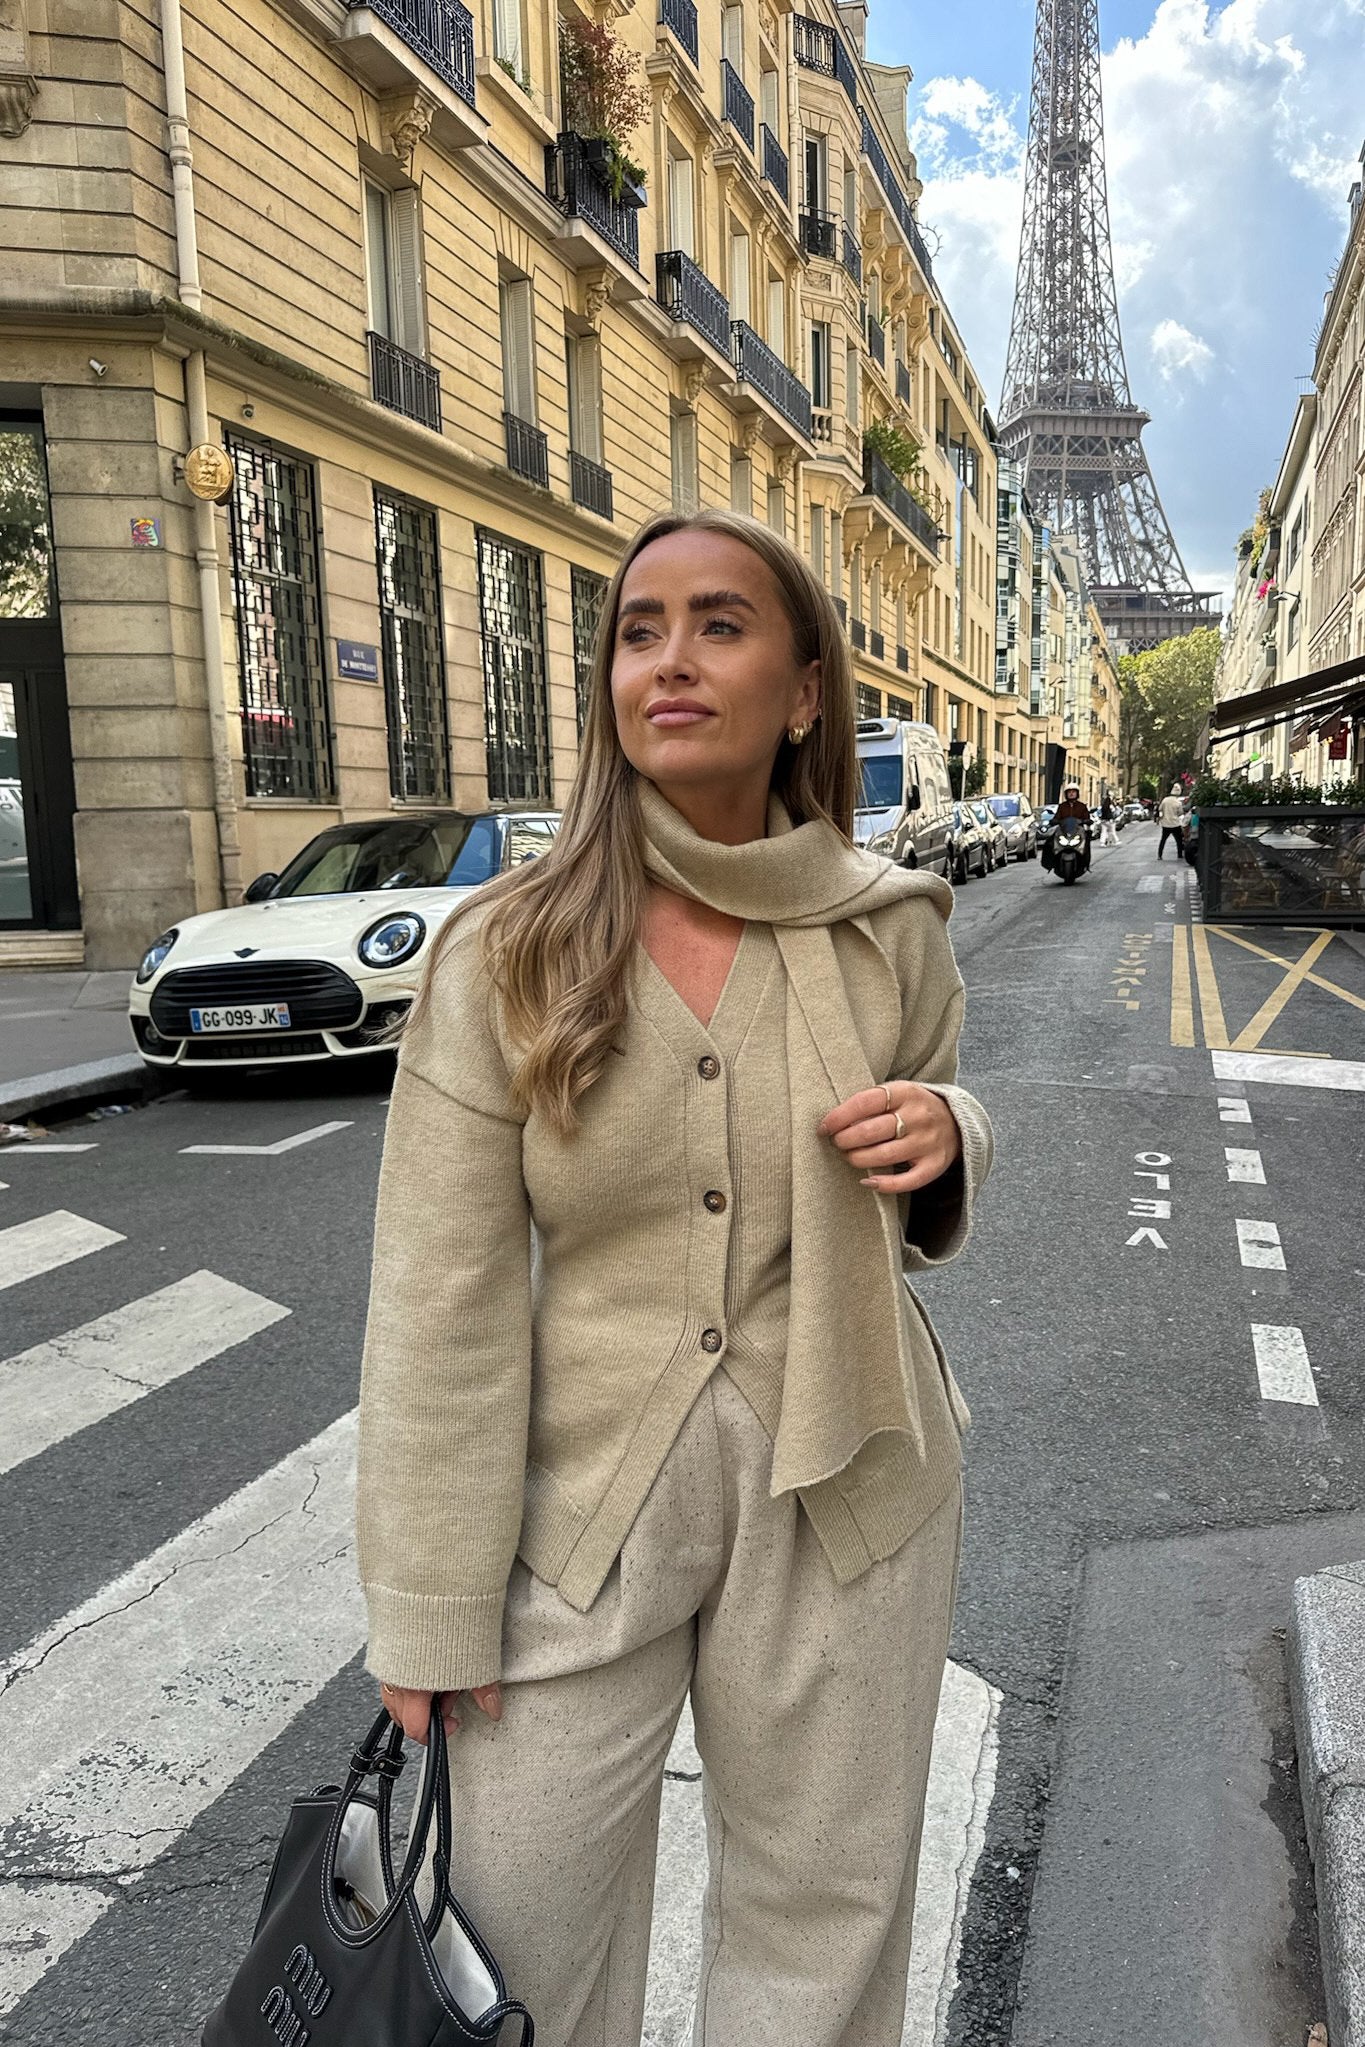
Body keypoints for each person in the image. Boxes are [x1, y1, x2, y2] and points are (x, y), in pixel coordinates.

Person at [356, 508, 994, 2047]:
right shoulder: (507, 950)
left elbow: (928, 1131)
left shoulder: (891, 931)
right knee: (514, 1932)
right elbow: (439, 1294)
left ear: (805, 690)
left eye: (719, 622)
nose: (671, 659)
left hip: (851, 1482)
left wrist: (949, 1131)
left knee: (821, 1920)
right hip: (580, 1510)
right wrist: (428, 1604)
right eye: (639, 630)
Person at [1157, 783, 1186, 859]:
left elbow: (1160, 809)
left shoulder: (1165, 800)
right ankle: (1179, 854)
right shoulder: (1178, 802)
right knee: (1179, 840)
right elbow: (1180, 813)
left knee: (1163, 840)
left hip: (1165, 823)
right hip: (1175, 823)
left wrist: (1161, 818)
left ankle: (1160, 855)